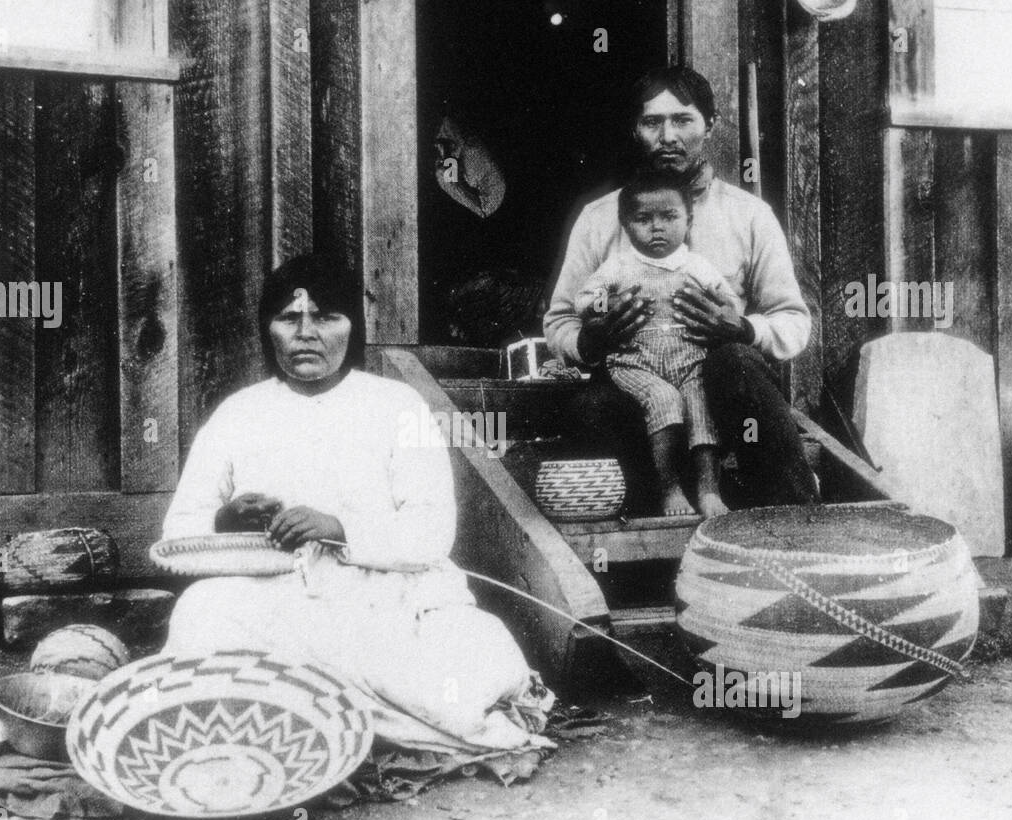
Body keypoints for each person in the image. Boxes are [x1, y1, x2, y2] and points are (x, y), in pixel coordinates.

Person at [162, 254, 554, 764]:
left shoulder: (397, 405)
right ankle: (322, 716)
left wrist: (338, 527)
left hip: (387, 597)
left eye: (325, 317)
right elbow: (179, 532)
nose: (306, 333)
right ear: (267, 329)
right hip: (276, 598)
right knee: (201, 614)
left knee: (462, 678)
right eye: (289, 318)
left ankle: (300, 715)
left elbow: (433, 530)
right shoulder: (238, 413)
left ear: (354, 327)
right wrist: (225, 521)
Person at [544, 65, 820, 510]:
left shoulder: (748, 216)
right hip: (641, 399)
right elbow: (560, 319)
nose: (667, 135)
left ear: (709, 125)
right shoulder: (600, 218)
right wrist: (592, 335)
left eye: (682, 120)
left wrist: (743, 328)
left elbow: (793, 321)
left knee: (736, 364)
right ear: (636, 130)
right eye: (652, 122)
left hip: (724, 407)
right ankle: (657, 506)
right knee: (588, 408)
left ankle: (798, 514)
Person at [576, 168, 738, 517]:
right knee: (663, 400)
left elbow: (728, 303)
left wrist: (724, 309)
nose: (657, 227)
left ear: (688, 220)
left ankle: (708, 488)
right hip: (636, 361)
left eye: (669, 216)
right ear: (625, 224)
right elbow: (585, 299)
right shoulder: (618, 266)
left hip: (689, 358)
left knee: (700, 404)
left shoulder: (697, 265)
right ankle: (669, 488)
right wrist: (606, 307)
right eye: (643, 219)